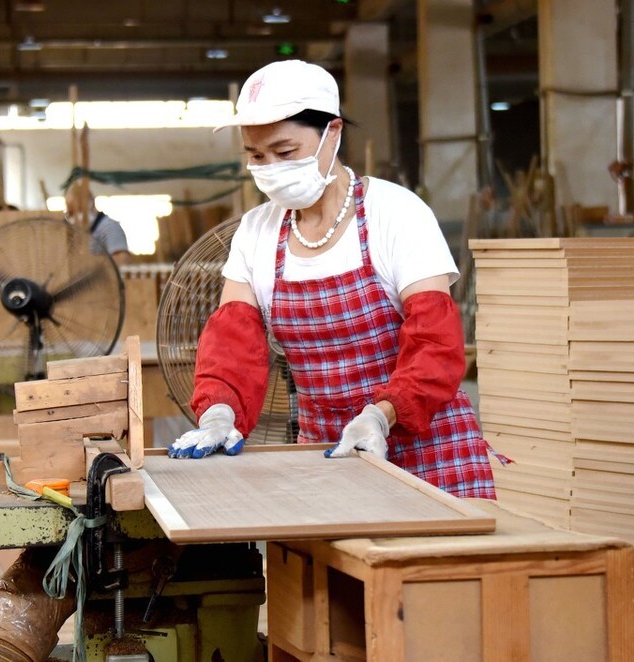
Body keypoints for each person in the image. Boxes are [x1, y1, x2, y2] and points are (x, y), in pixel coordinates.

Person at [168, 60, 496, 499]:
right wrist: (219, 411)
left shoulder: (395, 213)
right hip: (325, 460)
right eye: (256, 156)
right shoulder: (256, 232)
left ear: (333, 133)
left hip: (430, 461)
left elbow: (435, 345)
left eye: (285, 152)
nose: (270, 167)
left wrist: (380, 416)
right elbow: (232, 345)